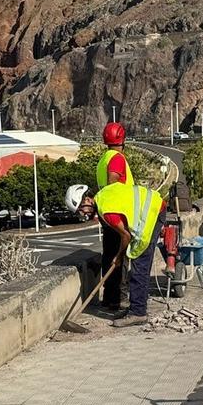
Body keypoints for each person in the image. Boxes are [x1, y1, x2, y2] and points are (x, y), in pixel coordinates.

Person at [66, 181, 166, 328]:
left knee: (139, 265)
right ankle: (135, 308)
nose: (83, 214)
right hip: (154, 206)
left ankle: (138, 313)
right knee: (137, 262)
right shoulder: (103, 196)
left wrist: (119, 256)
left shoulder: (106, 211)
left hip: (153, 212)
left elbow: (125, 235)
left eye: (81, 209)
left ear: (87, 199)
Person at [94, 122, 134, 311]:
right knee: (120, 255)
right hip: (117, 212)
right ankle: (119, 298)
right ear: (122, 139)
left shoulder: (103, 158)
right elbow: (113, 179)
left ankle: (109, 298)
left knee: (109, 254)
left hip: (107, 211)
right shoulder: (117, 158)